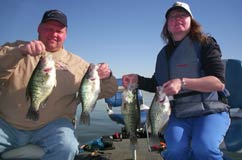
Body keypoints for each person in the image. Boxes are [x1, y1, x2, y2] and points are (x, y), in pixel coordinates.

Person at [0, 9, 118, 160]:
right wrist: (18, 52)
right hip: (7, 125)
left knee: (67, 146)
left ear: (66, 34)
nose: (53, 34)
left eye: (59, 31)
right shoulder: (16, 48)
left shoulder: (78, 65)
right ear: (39, 28)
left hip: (52, 128)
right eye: (49, 29)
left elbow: (108, 91)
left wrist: (107, 76)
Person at [122, 2, 230, 160]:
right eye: (172, 16)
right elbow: (157, 84)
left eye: (182, 15)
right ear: (167, 25)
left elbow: (218, 83)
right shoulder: (163, 54)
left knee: (204, 149)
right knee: (175, 152)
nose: (177, 18)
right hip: (179, 113)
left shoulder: (206, 44)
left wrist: (182, 82)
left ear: (191, 21)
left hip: (210, 110)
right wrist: (137, 79)